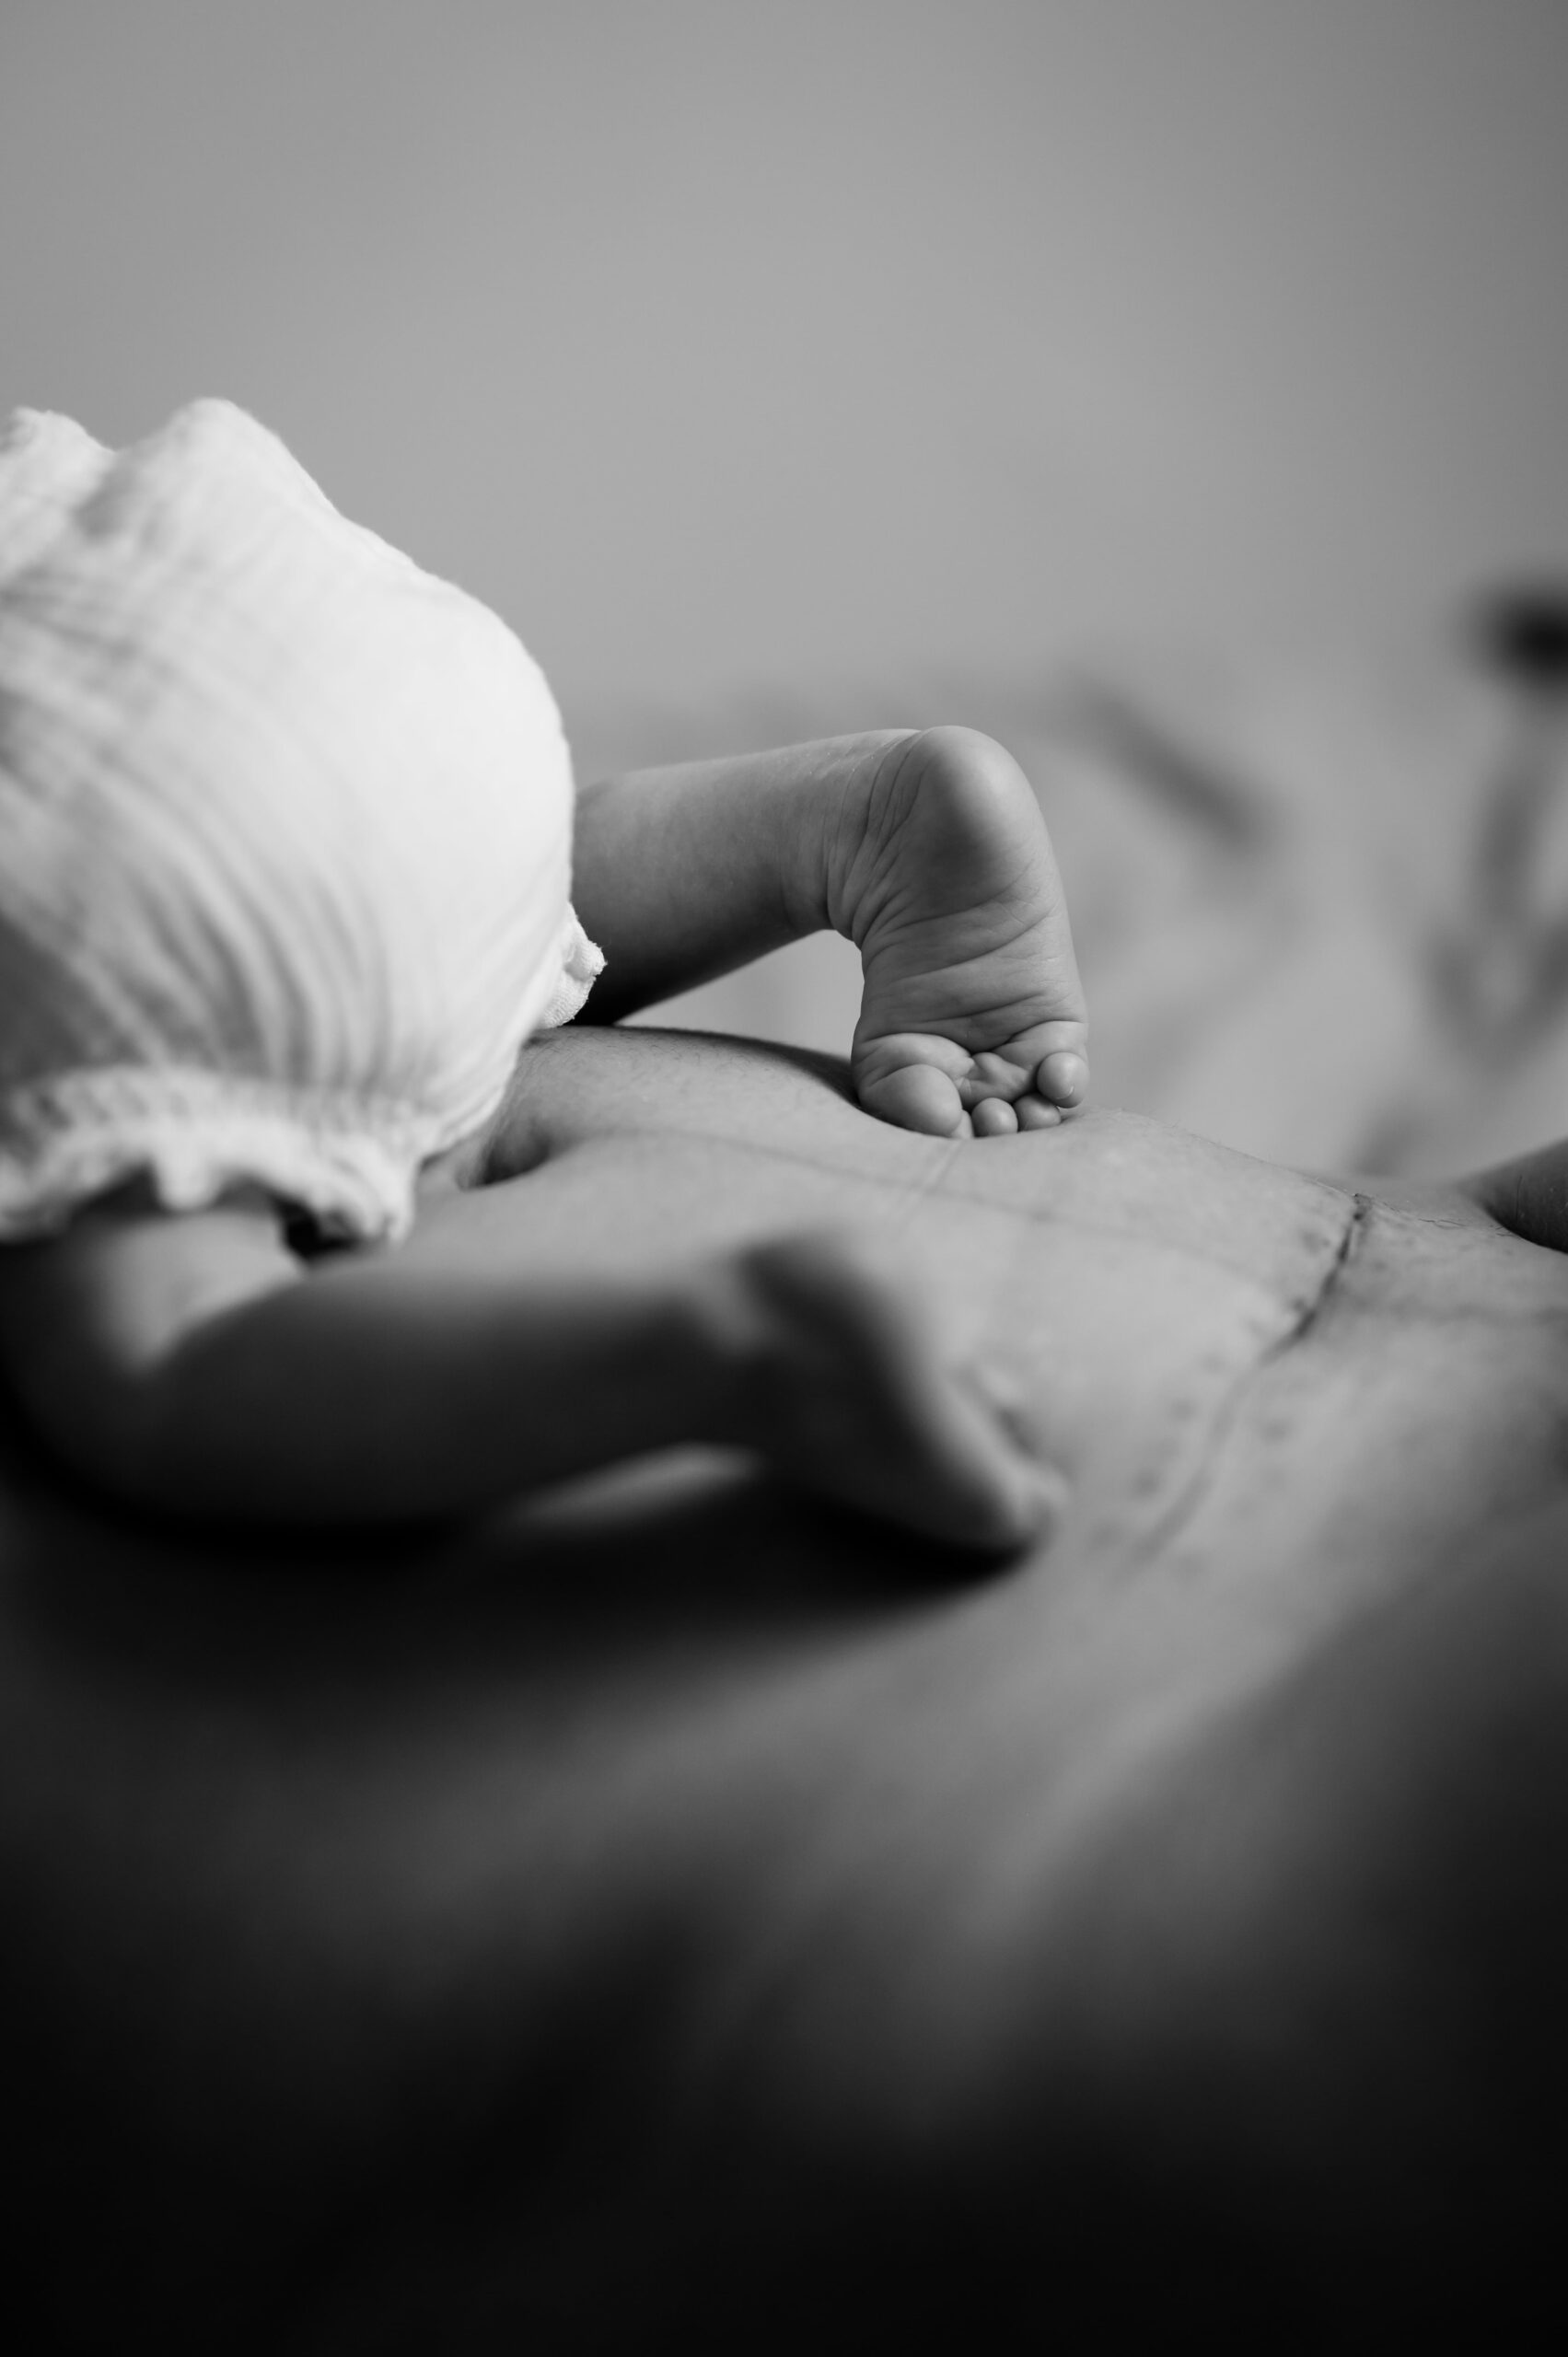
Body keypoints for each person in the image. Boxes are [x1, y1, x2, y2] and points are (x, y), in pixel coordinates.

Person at [0, 399, 1088, 1550]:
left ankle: (738, 1348)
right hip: (309, 639)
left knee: (157, 1363)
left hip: (94, 832)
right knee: (527, 910)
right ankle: (855, 817)